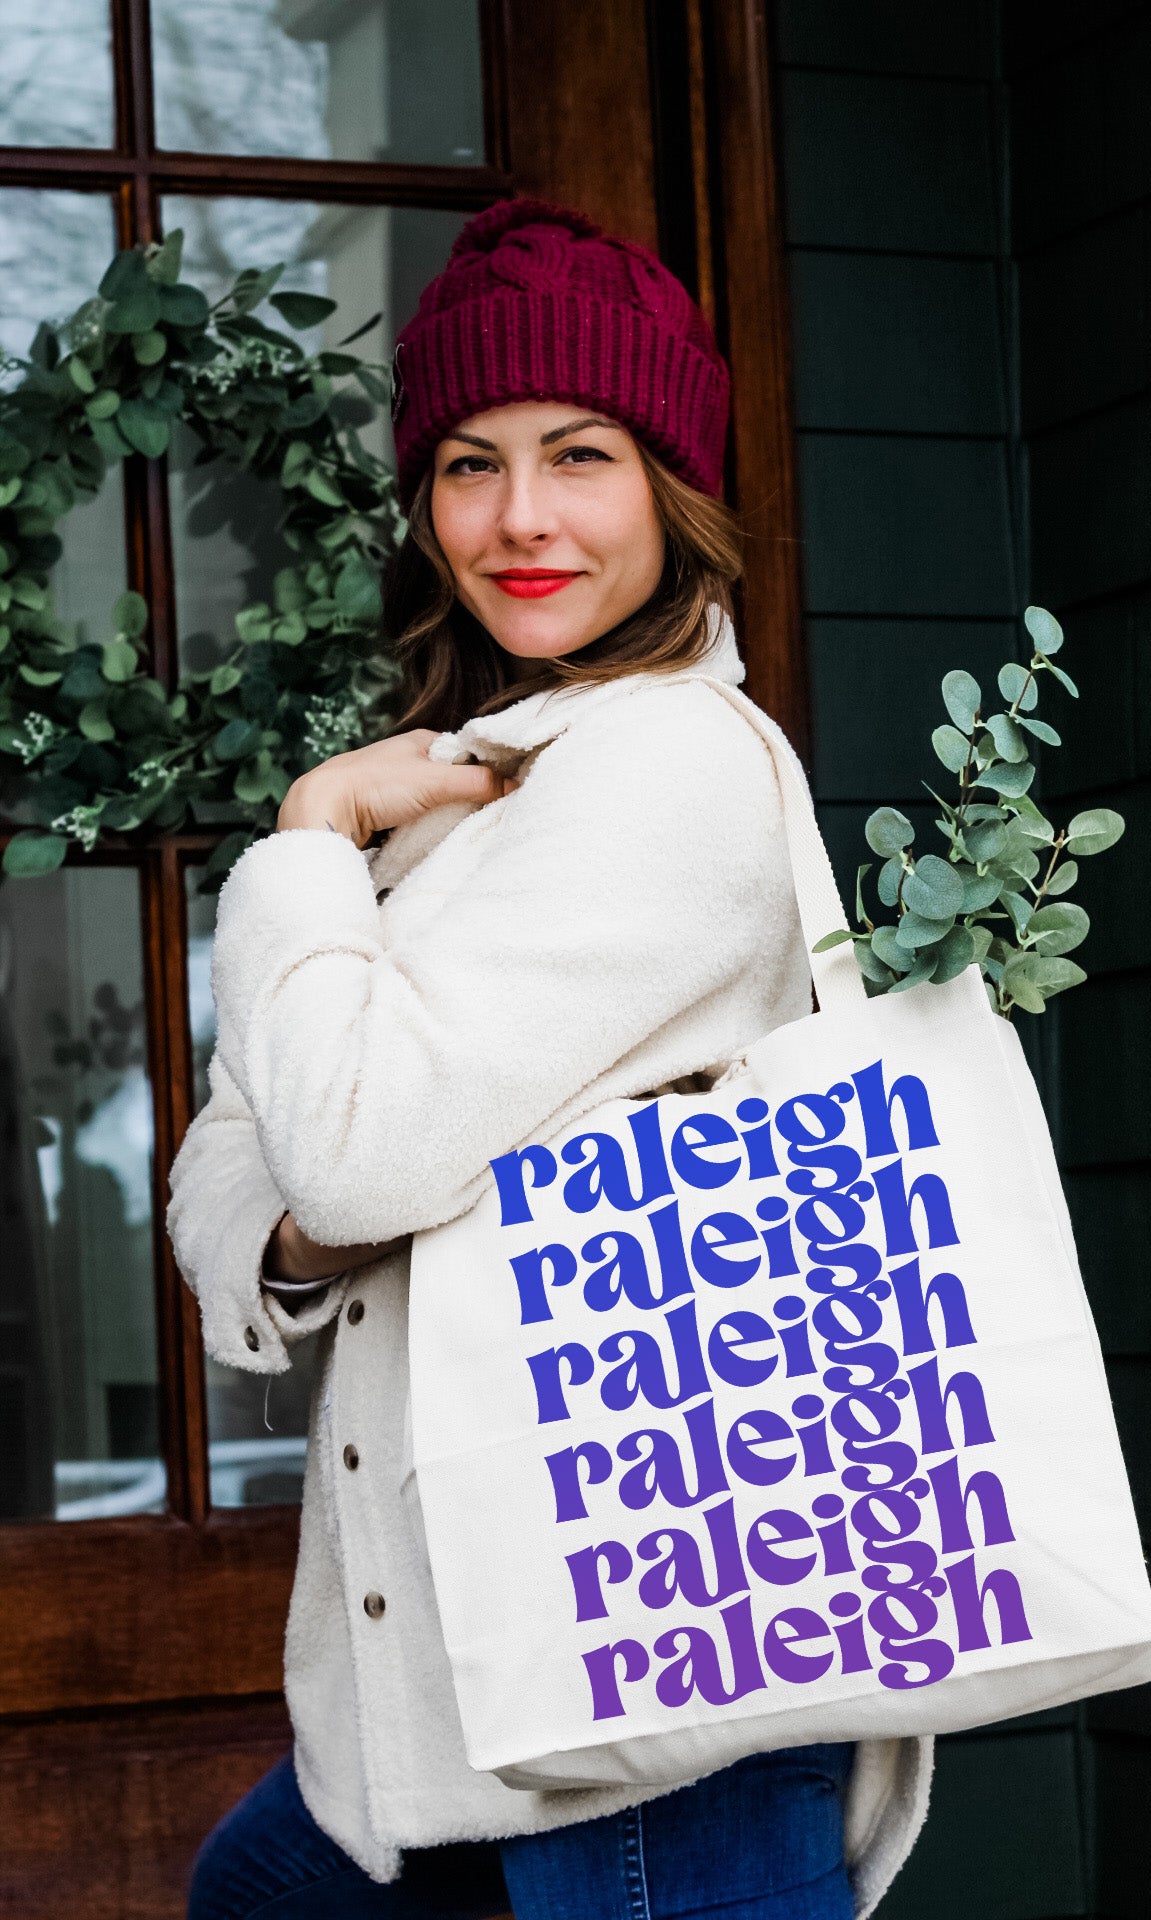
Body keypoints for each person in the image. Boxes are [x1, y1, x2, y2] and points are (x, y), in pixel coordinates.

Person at [170, 198, 932, 1920]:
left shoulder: (663, 766)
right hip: (449, 1681)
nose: (519, 519)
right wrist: (309, 1206)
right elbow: (236, 1172)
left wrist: (304, 835)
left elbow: (346, 1151)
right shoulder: (465, 788)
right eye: (466, 462)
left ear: (672, 485)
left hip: (651, 1671)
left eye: (578, 454)